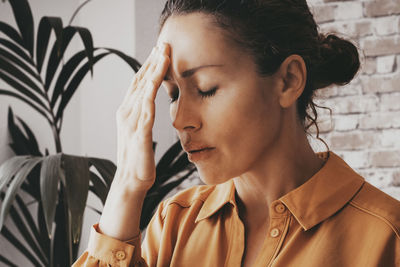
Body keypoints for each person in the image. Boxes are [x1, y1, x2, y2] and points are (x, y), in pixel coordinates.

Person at [72, 0, 400, 266]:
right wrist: (127, 185)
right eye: (173, 94)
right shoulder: (175, 223)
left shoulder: (388, 239)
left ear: (288, 80)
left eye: (205, 88)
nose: (179, 119)